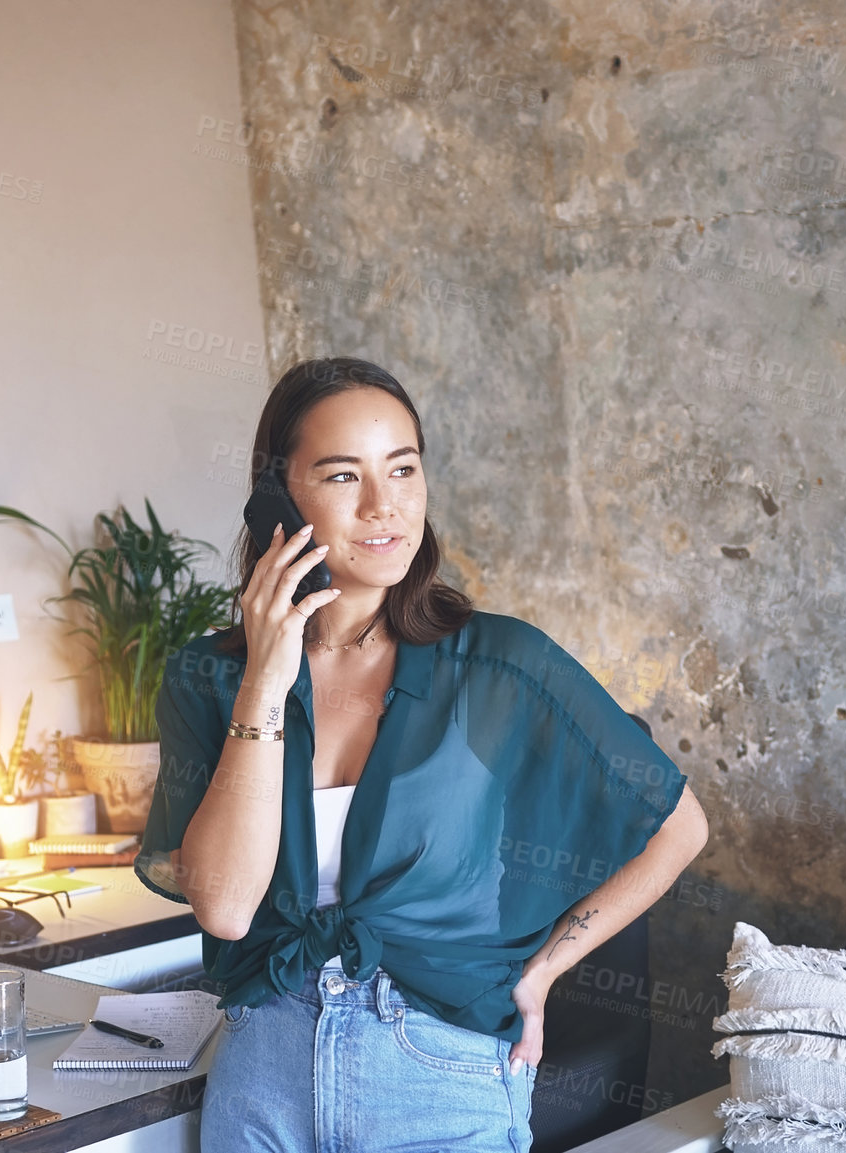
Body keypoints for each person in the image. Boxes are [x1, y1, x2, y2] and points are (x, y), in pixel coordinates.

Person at [135, 357, 709, 1152]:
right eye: (343, 476)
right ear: (276, 497)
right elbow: (227, 907)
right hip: (262, 1075)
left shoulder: (501, 666)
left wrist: (541, 971)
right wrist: (267, 676)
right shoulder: (209, 677)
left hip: (438, 1077)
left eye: (403, 467)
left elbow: (680, 829)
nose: (385, 505)